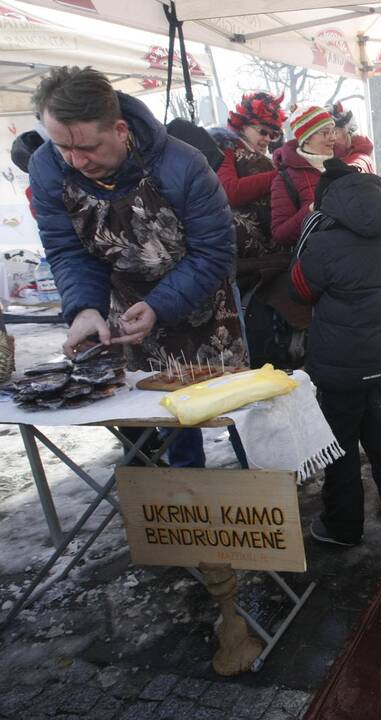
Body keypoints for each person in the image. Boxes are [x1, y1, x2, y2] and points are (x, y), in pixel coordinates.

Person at [29, 66, 247, 467]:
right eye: (63, 147)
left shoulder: (183, 165)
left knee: (233, 409)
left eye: (88, 147)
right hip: (126, 305)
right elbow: (68, 250)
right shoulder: (47, 170)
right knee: (162, 412)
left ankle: (259, 490)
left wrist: (161, 304)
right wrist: (85, 309)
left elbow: (214, 250)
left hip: (204, 301)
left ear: (120, 129)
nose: (76, 161)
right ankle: (186, 496)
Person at [290, 159, 381, 545]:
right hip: (378, 357)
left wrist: (306, 239)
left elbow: (302, 289)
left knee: (339, 444)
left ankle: (343, 526)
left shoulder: (324, 243)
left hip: (335, 363)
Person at [209, 92, 303, 369]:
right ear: (242, 124)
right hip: (239, 255)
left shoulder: (255, 155)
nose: (266, 139)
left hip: (263, 250)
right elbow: (229, 191)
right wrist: (281, 175)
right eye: (262, 131)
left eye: (273, 134)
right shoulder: (225, 148)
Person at [270, 105, 337, 248]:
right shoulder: (284, 179)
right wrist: (310, 210)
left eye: (333, 132)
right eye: (325, 133)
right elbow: (280, 235)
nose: (333, 138)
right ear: (306, 138)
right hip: (316, 259)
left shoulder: (340, 167)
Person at [326, 101, 376, 173]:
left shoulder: (359, 162)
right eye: (325, 133)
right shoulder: (339, 157)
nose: (330, 138)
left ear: (348, 131)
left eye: (334, 132)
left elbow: (353, 172)